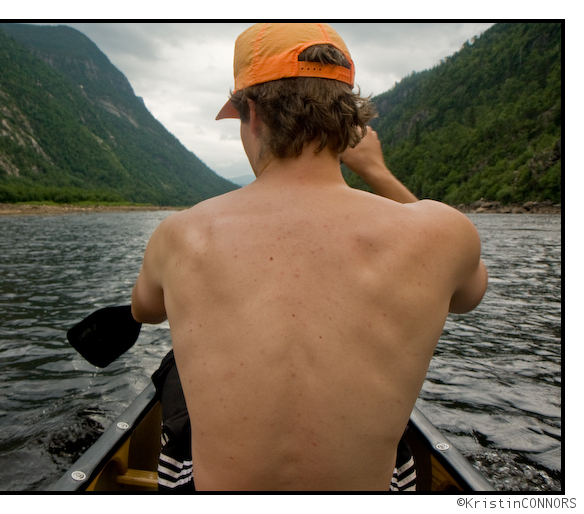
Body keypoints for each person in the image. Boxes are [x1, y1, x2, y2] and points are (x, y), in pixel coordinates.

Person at [131, 23, 487, 491]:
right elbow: (467, 295)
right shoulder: (442, 232)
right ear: (351, 123)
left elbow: (144, 310)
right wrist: (379, 173)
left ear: (252, 114)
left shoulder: (180, 234)